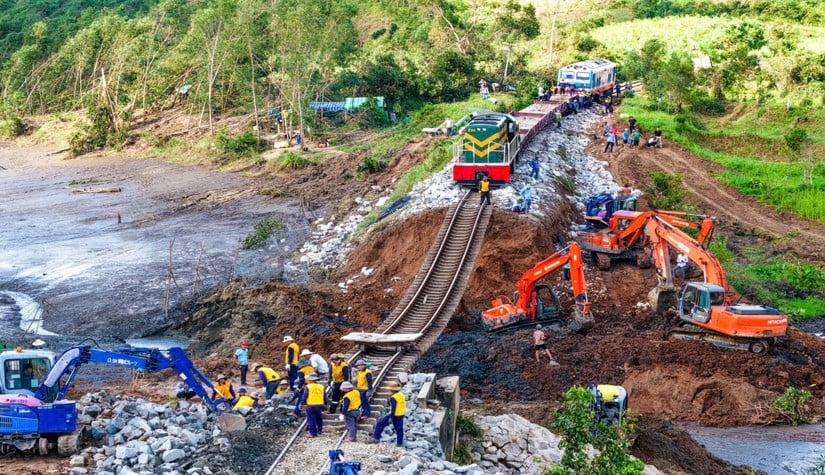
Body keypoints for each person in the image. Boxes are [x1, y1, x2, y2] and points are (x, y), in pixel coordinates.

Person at [366, 381, 406, 447]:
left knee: (380, 423)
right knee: (399, 429)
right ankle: (399, 443)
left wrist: (391, 417)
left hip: (394, 414)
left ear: (391, 390)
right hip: (400, 414)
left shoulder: (393, 397)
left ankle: (376, 438)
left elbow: (393, 407)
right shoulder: (401, 395)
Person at [295, 373, 326, 438]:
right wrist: (325, 406)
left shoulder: (308, 386)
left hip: (311, 405)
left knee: (311, 419)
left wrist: (301, 403)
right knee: (319, 418)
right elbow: (324, 397)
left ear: (310, 380)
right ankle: (319, 431)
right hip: (320, 404)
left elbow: (304, 396)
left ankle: (313, 433)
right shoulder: (321, 386)